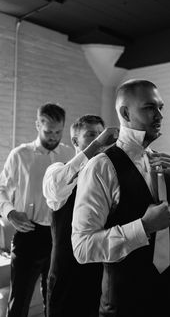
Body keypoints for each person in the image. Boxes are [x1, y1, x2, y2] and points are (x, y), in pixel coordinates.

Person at [72, 79, 170, 317]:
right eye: (149, 107)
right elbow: (82, 247)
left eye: (161, 107)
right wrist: (143, 226)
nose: (159, 115)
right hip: (125, 304)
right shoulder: (101, 167)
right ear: (125, 113)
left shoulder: (167, 164)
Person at [0, 103, 74, 317]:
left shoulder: (70, 154)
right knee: (20, 299)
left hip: (60, 235)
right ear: (37, 126)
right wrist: (10, 212)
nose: (53, 137)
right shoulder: (20, 155)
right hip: (28, 234)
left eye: (58, 132)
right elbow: (2, 188)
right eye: (48, 131)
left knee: (55, 297)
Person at [43, 114, 119, 317]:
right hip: (64, 274)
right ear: (75, 141)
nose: (100, 139)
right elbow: (56, 188)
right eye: (91, 135)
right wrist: (97, 145)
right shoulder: (58, 170)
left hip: (95, 275)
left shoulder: (106, 178)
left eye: (101, 135)